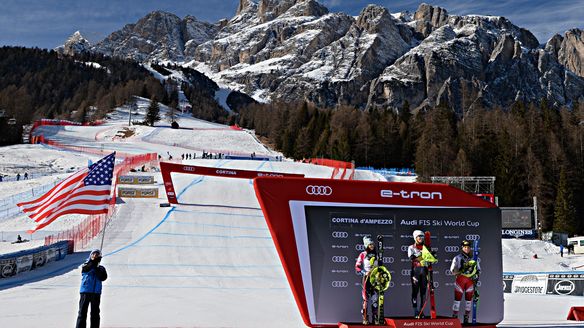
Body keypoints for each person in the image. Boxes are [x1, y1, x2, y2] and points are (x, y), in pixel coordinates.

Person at [407, 230, 436, 318]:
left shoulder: (426, 247)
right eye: (418, 236)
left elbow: (431, 259)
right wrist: (421, 254)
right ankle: (416, 311)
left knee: (423, 292)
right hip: (415, 271)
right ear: (415, 238)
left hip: (424, 271)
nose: (420, 238)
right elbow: (411, 257)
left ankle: (421, 311)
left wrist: (432, 256)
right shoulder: (411, 247)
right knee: (415, 291)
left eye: (422, 236)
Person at [450, 240, 480, 324]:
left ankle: (466, 318)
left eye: (468, 247)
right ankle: (455, 318)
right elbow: (452, 271)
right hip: (460, 281)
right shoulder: (457, 258)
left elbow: (478, 270)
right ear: (462, 248)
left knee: (468, 301)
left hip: (470, 281)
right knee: (457, 300)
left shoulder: (474, 258)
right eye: (465, 247)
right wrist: (460, 270)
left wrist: (476, 277)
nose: (466, 249)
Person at [76, 249, 107, 328]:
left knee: (95, 313)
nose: (95, 256)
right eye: (94, 254)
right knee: (82, 312)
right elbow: (86, 269)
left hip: (96, 293)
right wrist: (93, 263)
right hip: (85, 291)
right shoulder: (86, 265)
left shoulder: (101, 268)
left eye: (97, 255)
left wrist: (97, 266)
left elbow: (102, 277)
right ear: (91, 255)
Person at [355, 236, 378, 325]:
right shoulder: (363, 254)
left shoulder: (377, 254)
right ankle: (365, 318)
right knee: (365, 299)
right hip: (366, 279)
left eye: (372, 244)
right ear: (366, 245)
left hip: (375, 279)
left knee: (375, 299)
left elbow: (380, 266)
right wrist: (364, 272)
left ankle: (375, 318)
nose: (372, 246)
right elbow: (357, 267)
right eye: (370, 244)